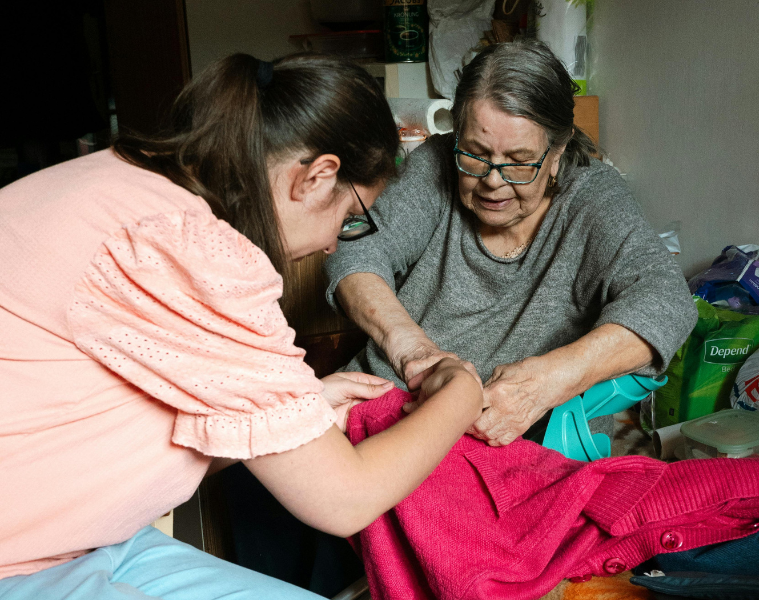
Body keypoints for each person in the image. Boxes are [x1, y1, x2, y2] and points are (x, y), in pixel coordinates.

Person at [0, 53, 483, 600]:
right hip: (23, 561)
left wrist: (293, 414)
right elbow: (346, 499)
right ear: (317, 175)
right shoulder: (188, 249)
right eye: (350, 218)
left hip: (76, 541)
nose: (331, 245)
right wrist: (464, 394)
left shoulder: (121, 175)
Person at [325, 40, 698, 447]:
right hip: (389, 414)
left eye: (520, 161)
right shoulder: (435, 163)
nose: (493, 180)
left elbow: (666, 301)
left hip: (518, 443)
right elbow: (356, 244)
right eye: (475, 154)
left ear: (556, 151)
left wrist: (552, 379)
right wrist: (412, 350)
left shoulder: (592, 198)